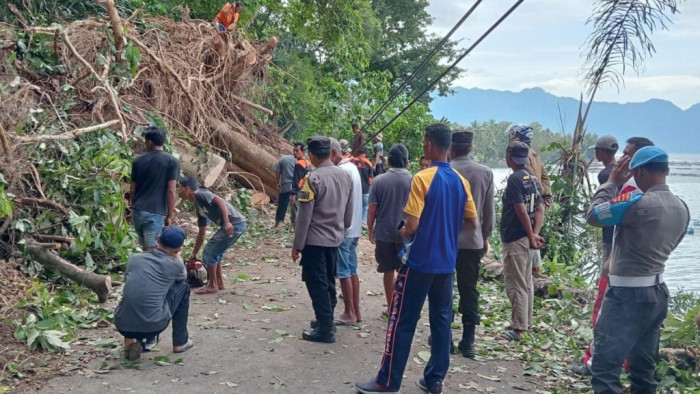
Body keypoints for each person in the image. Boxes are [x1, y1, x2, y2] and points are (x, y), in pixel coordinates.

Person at [356, 124, 477, 394]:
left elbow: (411, 225)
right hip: (447, 263)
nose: (424, 147)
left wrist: (407, 230)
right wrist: (445, 228)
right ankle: (434, 379)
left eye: (424, 143)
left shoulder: (422, 178)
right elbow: (471, 222)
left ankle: (388, 381)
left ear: (430, 146)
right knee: (442, 320)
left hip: (420, 260)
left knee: (402, 320)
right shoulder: (460, 181)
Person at [586, 146, 689, 393]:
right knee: (643, 369)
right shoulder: (682, 208)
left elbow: (593, 216)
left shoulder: (634, 202)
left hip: (626, 295)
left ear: (640, 172)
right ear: (666, 170)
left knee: (605, 367)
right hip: (657, 293)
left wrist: (611, 183)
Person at [571, 136, 654, 376]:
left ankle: (595, 364)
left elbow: (596, 215)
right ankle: (629, 366)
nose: (622, 159)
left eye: (628, 154)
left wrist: (609, 184)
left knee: (604, 314)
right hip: (647, 276)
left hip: (619, 268)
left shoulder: (628, 190)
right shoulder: (664, 198)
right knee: (637, 323)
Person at [292, 136, 354, 343]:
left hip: (315, 242)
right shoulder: (345, 177)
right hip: (335, 239)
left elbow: (304, 217)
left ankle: (326, 328)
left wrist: (297, 245)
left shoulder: (313, 179)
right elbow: (348, 213)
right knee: (328, 281)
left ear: (311, 155)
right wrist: (340, 230)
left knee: (316, 283)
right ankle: (324, 319)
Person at [114, 227, 193, 361]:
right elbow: (182, 277)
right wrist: (177, 256)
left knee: (134, 293)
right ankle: (180, 342)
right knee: (183, 288)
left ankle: (129, 341)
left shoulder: (134, 258)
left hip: (122, 324)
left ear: (157, 240)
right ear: (178, 250)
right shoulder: (175, 265)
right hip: (154, 325)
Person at [449, 129, 495, 358]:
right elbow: (489, 213)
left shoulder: (442, 171)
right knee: (469, 290)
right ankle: (468, 341)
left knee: (443, 288)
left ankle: (444, 337)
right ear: (471, 147)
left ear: (451, 148)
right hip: (472, 241)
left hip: (444, 241)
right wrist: (485, 236)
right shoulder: (485, 173)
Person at [498, 141, 545, 342]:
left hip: (516, 237)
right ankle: (526, 322)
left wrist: (529, 233)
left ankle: (518, 328)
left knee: (515, 283)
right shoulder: (533, 179)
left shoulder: (515, 179)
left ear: (509, 157)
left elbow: (520, 209)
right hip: (527, 238)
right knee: (526, 282)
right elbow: (540, 209)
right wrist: (534, 234)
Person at [178, 177, 247, 295]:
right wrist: (194, 253)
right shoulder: (198, 206)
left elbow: (219, 201)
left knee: (209, 251)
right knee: (216, 252)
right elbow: (202, 231)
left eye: (180, 189)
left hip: (234, 223)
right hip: (236, 224)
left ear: (187, 189)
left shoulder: (200, 193)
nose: (179, 192)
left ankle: (212, 285)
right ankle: (218, 283)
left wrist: (226, 222)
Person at [367, 144, 412, 316]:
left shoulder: (379, 181)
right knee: (405, 271)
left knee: (387, 270)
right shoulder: (414, 179)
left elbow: (372, 210)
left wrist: (371, 230)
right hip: (407, 233)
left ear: (388, 161)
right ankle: (403, 306)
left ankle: (390, 306)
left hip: (384, 232)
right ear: (406, 162)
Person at [507, 124, 551, 277]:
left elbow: (532, 180)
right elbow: (545, 176)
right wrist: (546, 194)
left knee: (528, 234)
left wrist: (539, 192)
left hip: (528, 201)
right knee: (532, 232)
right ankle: (534, 270)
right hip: (535, 201)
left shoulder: (523, 157)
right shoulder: (534, 154)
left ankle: (534, 270)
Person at [129, 126, 179, 251]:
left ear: (150, 142)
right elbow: (171, 190)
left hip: (138, 211)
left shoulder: (138, 161)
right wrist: (170, 215)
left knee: (147, 247)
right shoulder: (171, 161)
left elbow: (132, 188)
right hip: (154, 212)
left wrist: (132, 204)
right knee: (151, 251)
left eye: (145, 141)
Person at [330, 138, 363, 325]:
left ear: (334, 153)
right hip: (355, 228)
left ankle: (349, 313)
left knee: (343, 272)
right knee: (351, 270)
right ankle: (356, 312)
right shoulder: (352, 168)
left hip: (345, 229)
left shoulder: (342, 171)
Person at [593, 135, 619, 264]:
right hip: (622, 226)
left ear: (601, 152)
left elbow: (607, 200)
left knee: (607, 263)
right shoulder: (621, 170)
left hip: (610, 226)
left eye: (596, 150)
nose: (595, 153)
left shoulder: (604, 175)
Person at [290, 142, 311, 231]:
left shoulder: (299, 164)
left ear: (303, 151)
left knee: (295, 210)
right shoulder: (307, 162)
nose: (295, 152)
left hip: (299, 190)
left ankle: (296, 230)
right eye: (294, 150)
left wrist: (293, 194)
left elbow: (296, 180)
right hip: (306, 190)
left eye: (297, 150)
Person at [352, 147, 374, 225]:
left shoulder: (352, 161)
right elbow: (370, 180)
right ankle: (363, 222)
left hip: (354, 189)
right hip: (365, 189)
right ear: (365, 154)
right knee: (365, 206)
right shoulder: (369, 164)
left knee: (354, 206)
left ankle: (354, 221)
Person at [274, 153, 296, 228]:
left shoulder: (282, 159)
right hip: (296, 186)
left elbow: (277, 172)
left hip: (285, 185)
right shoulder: (299, 160)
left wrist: (278, 183)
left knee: (282, 205)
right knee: (294, 206)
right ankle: (293, 226)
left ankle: (277, 224)